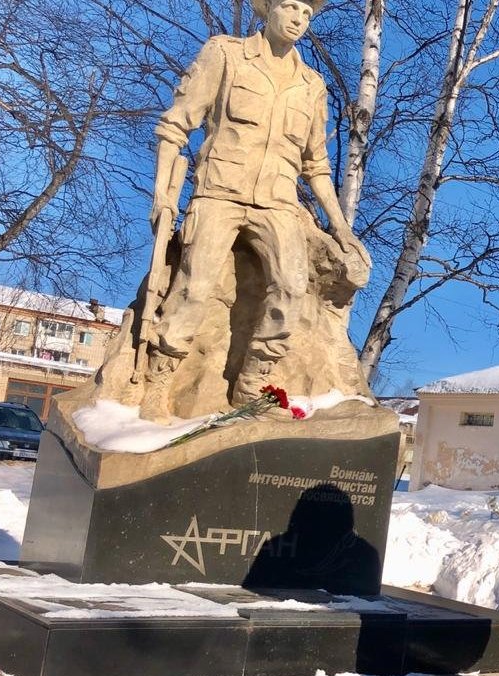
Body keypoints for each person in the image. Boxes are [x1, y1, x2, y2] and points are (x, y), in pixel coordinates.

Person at [146, 0, 367, 407]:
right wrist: (163, 194)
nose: (299, 19)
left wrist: (341, 227)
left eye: (307, 13)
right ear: (268, 11)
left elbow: (315, 164)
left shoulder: (311, 84)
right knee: (194, 288)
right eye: (290, 7)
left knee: (292, 287)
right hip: (219, 192)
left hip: (278, 202)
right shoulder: (226, 53)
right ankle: (158, 381)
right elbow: (177, 123)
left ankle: (255, 381)